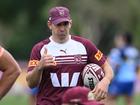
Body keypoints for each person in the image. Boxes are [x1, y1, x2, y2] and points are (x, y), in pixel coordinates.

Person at [26, 6, 114, 105]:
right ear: (50, 25)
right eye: (58, 24)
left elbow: (107, 67)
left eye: (65, 24)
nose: (62, 28)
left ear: (70, 23)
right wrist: (39, 67)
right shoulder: (39, 49)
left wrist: (105, 81)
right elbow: (31, 84)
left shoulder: (85, 45)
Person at [108, 32, 139, 105]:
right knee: (129, 101)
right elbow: (137, 66)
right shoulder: (135, 51)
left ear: (124, 39)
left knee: (110, 98)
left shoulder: (117, 51)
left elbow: (110, 63)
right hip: (131, 79)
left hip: (120, 79)